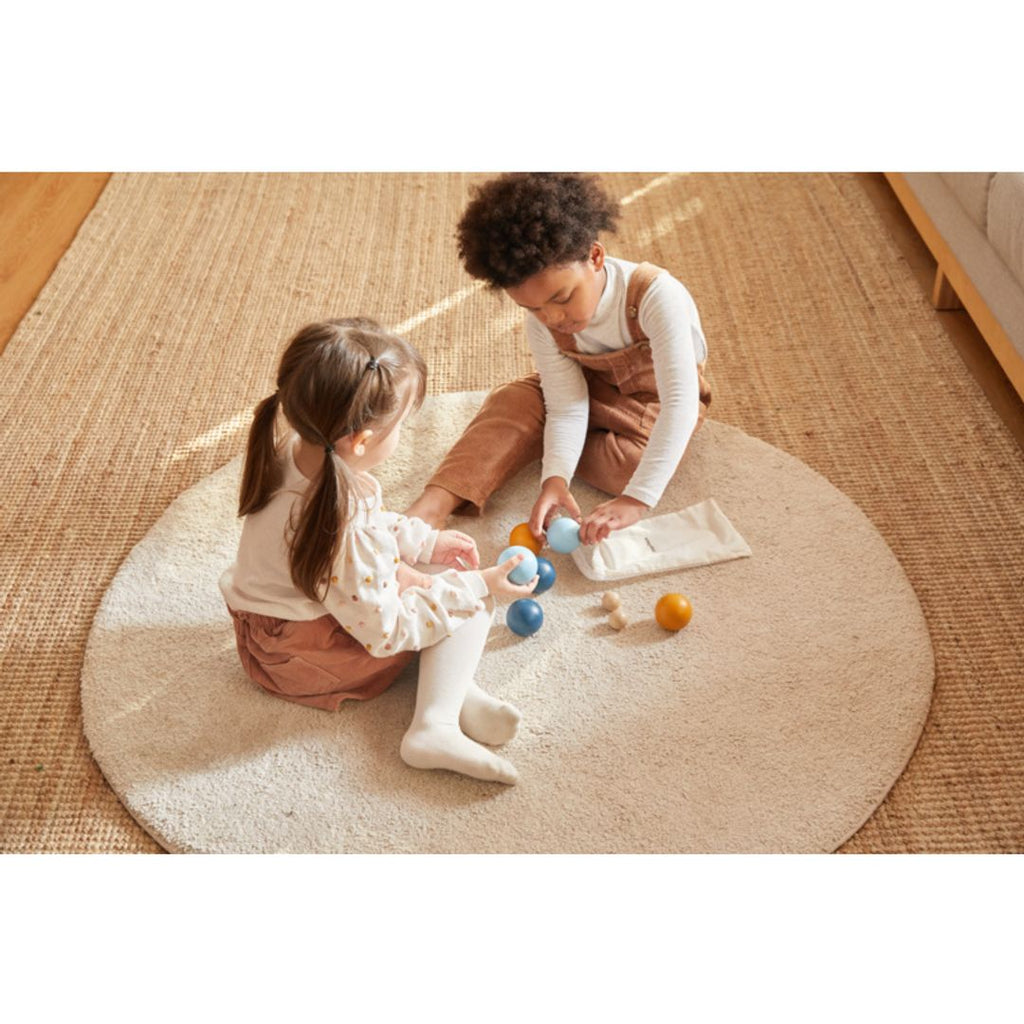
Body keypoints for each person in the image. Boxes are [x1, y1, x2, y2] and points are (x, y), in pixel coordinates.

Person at [219, 317, 538, 785]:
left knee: (431, 571)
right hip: (302, 657)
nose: (404, 434)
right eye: (402, 426)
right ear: (363, 440)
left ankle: (450, 689)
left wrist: (424, 542)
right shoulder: (339, 527)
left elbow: (367, 531)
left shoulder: (302, 452)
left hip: (276, 628)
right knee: (469, 601)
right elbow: (386, 631)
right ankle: (434, 726)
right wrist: (475, 586)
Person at [406, 172, 712, 547]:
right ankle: (430, 508)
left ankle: (527, 440)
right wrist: (556, 478)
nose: (552, 318)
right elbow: (566, 405)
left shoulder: (655, 296)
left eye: (563, 298)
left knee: (633, 466)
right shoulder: (544, 320)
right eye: (532, 308)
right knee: (513, 401)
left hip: (651, 403)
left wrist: (636, 499)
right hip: (585, 389)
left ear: (595, 257)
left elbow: (679, 403)